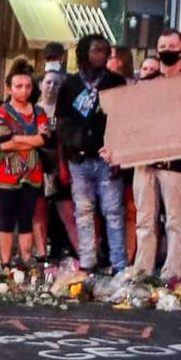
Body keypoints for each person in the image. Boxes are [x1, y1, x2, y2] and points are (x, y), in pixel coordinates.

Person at [127, 30, 181, 281]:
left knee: (175, 220)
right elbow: (129, 122)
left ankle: (172, 274)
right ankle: (142, 271)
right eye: (162, 45)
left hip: (176, 163)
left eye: (172, 45)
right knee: (144, 219)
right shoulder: (146, 84)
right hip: (145, 162)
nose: (167, 50)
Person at [57, 36, 129, 273]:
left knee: (113, 212)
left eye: (105, 51)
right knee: (84, 212)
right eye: (96, 50)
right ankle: (87, 260)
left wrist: (119, 154)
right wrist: (65, 157)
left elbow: (124, 122)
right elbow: (62, 123)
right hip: (78, 159)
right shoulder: (69, 84)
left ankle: (119, 263)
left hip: (107, 158)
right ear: (84, 53)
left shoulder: (116, 81)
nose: (101, 55)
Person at [0, 66, 50, 268]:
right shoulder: (0, 112)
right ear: (9, 89)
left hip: (32, 173)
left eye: (28, 86)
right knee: (6, 219)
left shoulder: (39, 111)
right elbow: (2, 143)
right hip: (6, 174)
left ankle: (25, 260)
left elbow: (44, 139)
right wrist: (32, 139)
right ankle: (5, 262)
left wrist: (17, 138)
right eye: (19, 86)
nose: (24, 90)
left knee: (26, 218)